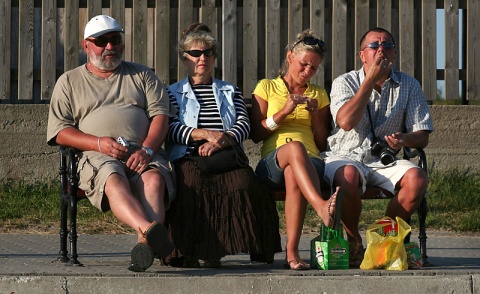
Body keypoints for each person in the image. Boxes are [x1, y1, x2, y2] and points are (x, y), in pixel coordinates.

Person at [46, 15, 177, 272]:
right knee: (112, 176)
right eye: (101, 41)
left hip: (142, 153)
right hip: (96, 157)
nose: (109, 47)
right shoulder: (69, 82)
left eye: (115, 40)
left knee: (154, 180)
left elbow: (161, 116)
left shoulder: (142, 75)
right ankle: (152, 231)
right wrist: (97, 143)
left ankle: (144, 243)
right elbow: (60, 132)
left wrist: (147, 149)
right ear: (86, 46)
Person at [164, 23, 281, 268]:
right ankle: (188, 252)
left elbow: (243, 123)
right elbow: (170, 127)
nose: (202, 58)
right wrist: (203, 135)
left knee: (244, 182)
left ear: (215, 57)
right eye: (195, 53)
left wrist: (222, 140)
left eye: (208, 52)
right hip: (189, 154)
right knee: (191, 184)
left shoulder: (230, 90)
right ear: (185, 59)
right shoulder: (172, 93)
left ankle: (220, 251)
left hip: (225, 154)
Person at [324, 27, 434, 267]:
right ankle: (354, 240)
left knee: (417, 178)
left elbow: (422, 135)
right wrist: (369, 82)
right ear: (363, 55)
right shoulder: (344, 82)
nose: (381, 49)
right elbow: (345, 122)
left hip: (384, 159)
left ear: (393, 54)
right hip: (345, 156)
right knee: (349, 175)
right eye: (374, 46)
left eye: (387, 45)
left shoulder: (409, 84)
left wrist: (404, 139)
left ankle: (382, 239)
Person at [250, 29, 343, 270]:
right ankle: (322, 207)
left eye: (314, 68)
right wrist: (283, 112)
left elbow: (322, 144)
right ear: (290, 57)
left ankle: (292, 253)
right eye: (303, 64)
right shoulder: (267, 87)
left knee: (295, 169)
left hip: (311, 163)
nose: (307, 72)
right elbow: (256, 134)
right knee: (293, 148)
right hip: (272, 162)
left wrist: (314, 116)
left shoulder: (318, 94)